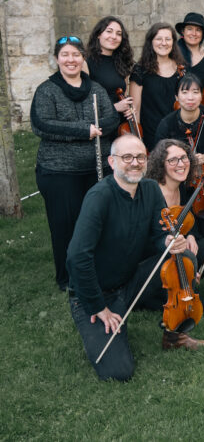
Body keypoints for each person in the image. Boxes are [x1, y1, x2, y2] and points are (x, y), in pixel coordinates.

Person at [66, 135, 204, 382]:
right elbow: (76, 257)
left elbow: (159, 235)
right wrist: (98, 307)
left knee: (184, 257)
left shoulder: (149, 189)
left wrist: (168, 242)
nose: (135, 163)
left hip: (130, 280)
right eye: (127, 157)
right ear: (112, 162)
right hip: (96, 293)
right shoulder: (99, 197)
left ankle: (174, 336)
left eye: (139, 157)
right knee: (118, 372)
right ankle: (104, 318)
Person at [32, 35, 119, 291]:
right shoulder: (46, 90)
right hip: (59, 172)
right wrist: (85, 130)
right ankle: (67, 278)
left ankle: (96, 271)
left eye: (76, 55)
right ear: (57, 59)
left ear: (83, 58)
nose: (71, 60)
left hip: (96, 168)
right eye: (65, 55)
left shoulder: (96, 89)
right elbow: (42, 124)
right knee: (65, 226)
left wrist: (97, 128)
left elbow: (111, 119)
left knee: (97, 223)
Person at [144, 138, 204, 280]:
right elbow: (149, 238)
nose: (181, 164)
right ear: (161, 164)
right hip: (156, 252)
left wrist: (190, 236)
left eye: (183, 158)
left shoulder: (180, 186)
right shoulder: (152, 192)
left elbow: (187, 214)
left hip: (178, 242)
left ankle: (188, 278)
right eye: (173, 160)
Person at [129, 23, 186, 150]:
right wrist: (138, 139)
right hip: (151, 135)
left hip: (178, 134)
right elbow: (135, 109)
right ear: (151, 42)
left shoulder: (181, 68)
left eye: (168, 39)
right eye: (159, 39)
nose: (163, 43)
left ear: (173, 42)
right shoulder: (140, 70)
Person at [153, 73, 204, 171]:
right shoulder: (166, 124)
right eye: (185, 92)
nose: (190, 97)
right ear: (176, 97)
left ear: (201, 96)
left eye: (195, 92)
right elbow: (159, 156)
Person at [84, 15, 134, 114]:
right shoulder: (86, 63)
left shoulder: (122, 62)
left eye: (118, 34)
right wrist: (115, 107)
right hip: (101, 121)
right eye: (109, 31)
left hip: (121, 121)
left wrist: (129, 109)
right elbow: (85, 105)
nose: (114, 37)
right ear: (98, 34)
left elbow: (123, 95)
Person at [175, 12, 204, 84]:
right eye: (189, 29)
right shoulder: (174, 54)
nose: (194, 33)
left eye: (198, 30)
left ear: (202, 34)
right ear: (183, 31)